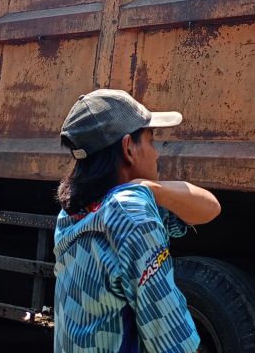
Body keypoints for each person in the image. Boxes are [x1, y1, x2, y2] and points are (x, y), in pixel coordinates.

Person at [53, 89, 221, 353]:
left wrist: (150, 188)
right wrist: (143, 190)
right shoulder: (129, 213)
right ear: (128, 147)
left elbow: (209, 207)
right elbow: (171, 341)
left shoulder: (74, 213)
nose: (156, 154)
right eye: (151, 141)